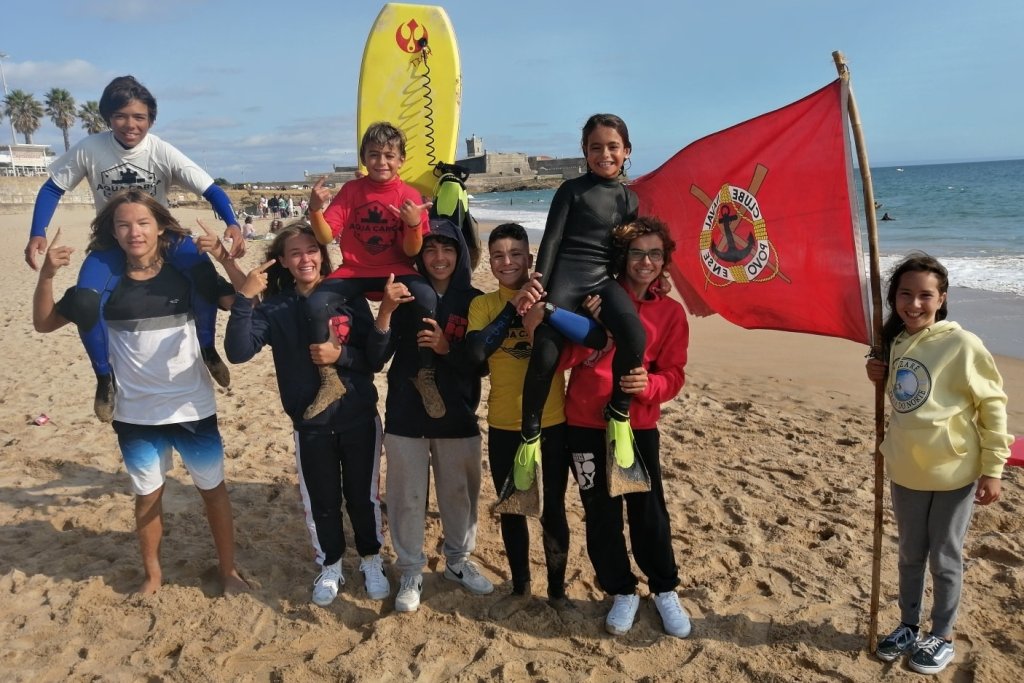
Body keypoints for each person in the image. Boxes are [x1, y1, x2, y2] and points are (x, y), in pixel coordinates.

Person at [31, 189, 248, 596]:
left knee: (213, 492)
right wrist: (46, 276)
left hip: (192, 405)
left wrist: (223, 257)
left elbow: (240, 299)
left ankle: (229, 570)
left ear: (161, 226)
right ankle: (153, 575)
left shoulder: (184, 272)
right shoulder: (104, 283)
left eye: (143, 223)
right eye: (124, 224)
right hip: (134, 413)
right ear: (112, 232)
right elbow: (44, 323)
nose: (134, 232)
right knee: (147, 497)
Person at [23, 75, 242, 421]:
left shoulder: (160, 150)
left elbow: (211, 189)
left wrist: (231, 221)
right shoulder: (90, 148)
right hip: (114, 238)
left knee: (205, 276)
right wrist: (38, 231)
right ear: (108, 118)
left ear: (151, 120)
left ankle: (207, 348)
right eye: (122, 116)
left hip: (162, 233)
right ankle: (103, 377)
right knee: (84, 300)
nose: (130, 124)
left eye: (139, 117)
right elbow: (52, 189)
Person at [214, 222, 390, 607]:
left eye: (312, 249)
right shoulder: (277, 307)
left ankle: (371, 559)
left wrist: (340, 356)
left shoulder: (346, 297)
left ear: (322, 255)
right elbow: (238, 351)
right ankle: (330, 565)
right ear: (284, 262)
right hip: (310, 424)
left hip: (359, 415)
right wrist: (244, 299)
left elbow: (373, 360)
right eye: (295, 253)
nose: (305, 258)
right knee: (322, 500)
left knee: (364, 497)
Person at [532, 216, 690, 638]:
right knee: (600, 513)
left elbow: (674, 374)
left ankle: (663, 589)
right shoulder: (592, 298)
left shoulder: (671, 313)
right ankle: (621, 590)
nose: (646, 261)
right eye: (637, 253)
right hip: (583, 424)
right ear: (622, 257)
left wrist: (649, 384)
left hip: (635, 427)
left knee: (647, 512)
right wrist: (592, 340)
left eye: (655, 254)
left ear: (664, 261)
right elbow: (558, 357)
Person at [866, 253, 1011, 675]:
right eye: (905, 295)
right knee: (910, 553)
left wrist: (993, 468)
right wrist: (877, 370)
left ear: (942, 298)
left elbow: (993, 406)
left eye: (925, 295)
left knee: (944, 556)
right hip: (906, 469)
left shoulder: (962, 344)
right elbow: (906, 396)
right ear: (894, 299)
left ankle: (942, 634)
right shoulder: (893, 342)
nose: (914, 304)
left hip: (954, 472)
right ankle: (909, 625)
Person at [465, 223, 595, 615]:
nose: (508, 262)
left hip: (553, 423)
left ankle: (556, 592)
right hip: (505, 424)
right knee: (513, 508)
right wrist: (513, 308)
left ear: (530, 258)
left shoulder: (555, 299)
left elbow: (593, 338)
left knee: (553, 508)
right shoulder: (484, 306)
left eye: (516, 254)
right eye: (499, 256)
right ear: (490, 261)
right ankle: (521, 587)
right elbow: (474, 356)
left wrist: (549, 313)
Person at [367, 218, 493, 613]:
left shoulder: (476, 301)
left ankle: (457, 561)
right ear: (419, 254)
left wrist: (446, 350)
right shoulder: (404, 297)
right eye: (431, 250)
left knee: (459, 495)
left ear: (462, 254)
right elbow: (376, 357)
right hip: (406, 412)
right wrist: (385, 311)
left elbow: (482, 366)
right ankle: (410, 570)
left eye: (448, 249)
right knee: (407, 497)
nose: (440, 258)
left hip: (457, 412)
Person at [514, 113, 644, 492]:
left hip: (601, 281)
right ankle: (530, 439)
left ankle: (618, 415)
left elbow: (623, 252)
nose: (605, 154)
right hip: (566, 280)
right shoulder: (571, 190)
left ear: (627, 151)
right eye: (596, 147)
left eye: (613, 146)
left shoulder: (629, 198)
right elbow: (552, 240)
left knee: (633, 334)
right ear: (585, 151)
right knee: (545, 357)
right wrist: (539, 282)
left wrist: (644, 281)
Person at [304, 122, 442, 421]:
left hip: (396, 267)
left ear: (401, 159)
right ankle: (329, 379)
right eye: (374, 154)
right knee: (315, 304)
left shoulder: (410, 195)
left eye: (389, 155)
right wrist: (314, 210)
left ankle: (425, 373)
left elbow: (411, 252)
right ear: (364, 158)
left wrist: (414, 223)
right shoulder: (352, 190)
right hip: (355, 269)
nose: (382, 162)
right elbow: (326, 237)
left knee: (427, 298)